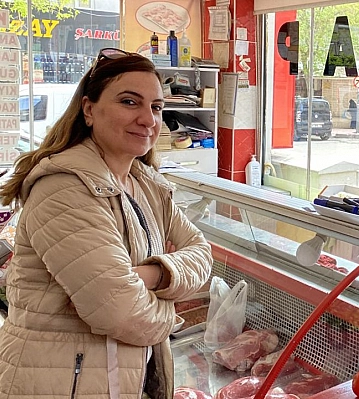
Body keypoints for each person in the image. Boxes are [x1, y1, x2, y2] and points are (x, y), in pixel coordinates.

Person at [0, 49, 213, 398]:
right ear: (88, 109)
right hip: (59, 382)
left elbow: (202, 253)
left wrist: (152, 274)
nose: (148, 119)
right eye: (130, 102)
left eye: (156, 107)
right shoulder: (64, 187)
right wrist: (170, 314)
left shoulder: (147, 184)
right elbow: (120, 311)